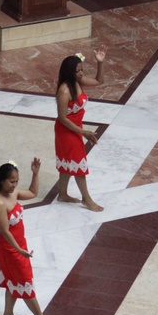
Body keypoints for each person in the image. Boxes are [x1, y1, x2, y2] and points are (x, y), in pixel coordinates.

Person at [0, 159, 59, 315]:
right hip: (10, 250)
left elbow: (33, 192)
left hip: (19, 247)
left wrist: (35, 173)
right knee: (25, 283)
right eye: (11, 182)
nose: (14, 185)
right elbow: (4, 231)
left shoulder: (13, 194)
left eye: (16, 181)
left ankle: (8, 314)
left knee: (14, 281)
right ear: (1, 180)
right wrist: (19, 250)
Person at [54, 47, 107, 212]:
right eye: (78, 71)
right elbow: (63, 118)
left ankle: (62, 194)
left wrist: (100, 63)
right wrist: (83, 132)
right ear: (69, 72)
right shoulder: (64, 90)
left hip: (76, 128)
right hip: (66, 131)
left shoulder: (79, 82)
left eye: (82, 70)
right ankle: (87, 199)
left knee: (68, 161)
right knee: (79, 164)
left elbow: (99, 81)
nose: (81, 73)